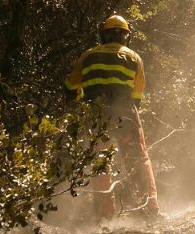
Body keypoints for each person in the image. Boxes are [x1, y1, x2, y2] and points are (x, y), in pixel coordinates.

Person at [64, 14, 160, 220]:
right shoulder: (134, 58)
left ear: (103, 34)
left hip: (95, 115)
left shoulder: (87, 56)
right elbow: (137, 95)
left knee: (100, 162)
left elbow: (71, 87)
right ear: (126, 36)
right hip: (125, 114)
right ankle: (150, 209)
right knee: (138, 159)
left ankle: (105, 216)